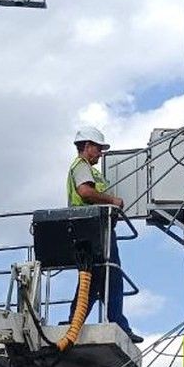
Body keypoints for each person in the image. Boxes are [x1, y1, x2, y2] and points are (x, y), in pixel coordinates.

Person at [66, 125, 142, 343]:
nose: (100, 153)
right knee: (111, 277)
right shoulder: (81, 166)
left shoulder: (88, 169)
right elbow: (85, 192)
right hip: (92, 229)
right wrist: (112, 201)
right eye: (98, 148)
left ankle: (76, 321)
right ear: (87, 146)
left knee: (94, 277)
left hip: (93, 228)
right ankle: (117, 323)